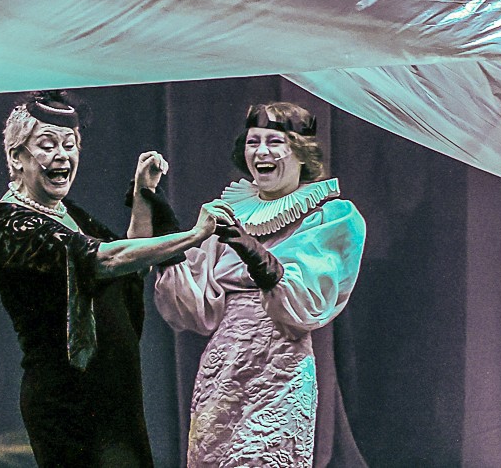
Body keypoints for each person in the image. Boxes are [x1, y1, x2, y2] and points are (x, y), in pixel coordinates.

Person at [0, 91, 232, 468]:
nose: (61, 155)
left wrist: (143, 193)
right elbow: (107, 259)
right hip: (68, 403)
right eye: (47, 145)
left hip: (114, 395)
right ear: (17, 156)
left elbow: (128, 261)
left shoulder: (69, 214)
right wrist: (195, 235)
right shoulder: (13, 226)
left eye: (70, 144)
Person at [154, 101, 365, 467]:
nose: (261, 151)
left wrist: (255, 254)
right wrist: (165, 230)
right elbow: (194, 306)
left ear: (301, 153)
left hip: (280, 364)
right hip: (223, 367)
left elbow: (305, 303)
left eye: (274, 141)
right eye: (253, 141)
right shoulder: (227, 212)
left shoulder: (330, 216)